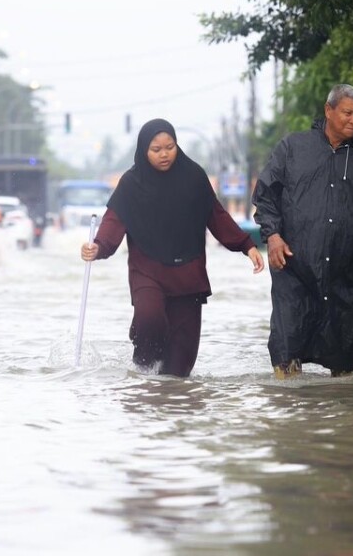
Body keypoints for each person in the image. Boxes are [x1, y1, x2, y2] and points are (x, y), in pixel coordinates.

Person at [80, 119, 265, 377]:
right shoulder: (131, 183)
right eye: (156, 149)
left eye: (170, 147)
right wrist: (98, 247)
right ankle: (143, 384)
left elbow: (217, 216)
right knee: (149, 319)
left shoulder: (194, 177)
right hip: (147, 269)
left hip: (188, 272)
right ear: (144, 150)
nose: (164, 154)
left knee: (179, 369)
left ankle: (172, 405)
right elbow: (113, 222)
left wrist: (247, 245)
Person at [252, 84, 353, 378]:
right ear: (328, 111)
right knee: (287, 355)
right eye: (347, 113)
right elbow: (265, 195)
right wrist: (273, 236)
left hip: (343, 275)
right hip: (294, 269)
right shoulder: (293, 147)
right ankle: (292, 419)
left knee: (345, 365)